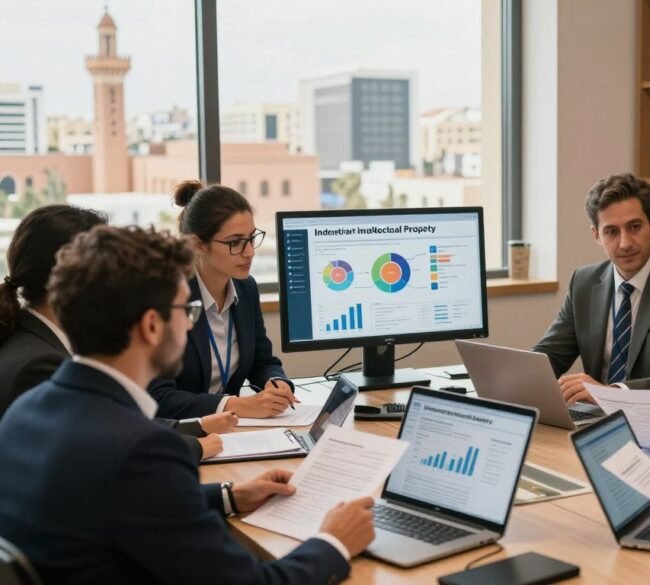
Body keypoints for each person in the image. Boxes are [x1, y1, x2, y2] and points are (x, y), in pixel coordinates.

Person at [0, 225, 375, 584]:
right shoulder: (142, 451)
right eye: (187, 311)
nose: (190, 324)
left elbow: (109, 502)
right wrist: (334, 542)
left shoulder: (27, 410)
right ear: (151, 326)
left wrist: (229, 496)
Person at [0, 204, 233, 460]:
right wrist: (195, 446)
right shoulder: (38, 365)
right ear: (76, 274)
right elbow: (100, 450)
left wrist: (199, 427)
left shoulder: (36, 339)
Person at [533, 173, 650, 400]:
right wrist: (516, 380)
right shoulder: (583, 282)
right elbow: (549, 356)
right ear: (596, 236)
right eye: (611, 232)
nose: (625, 243)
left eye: (634, 227)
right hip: (596, 417)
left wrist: (610, 394)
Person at [148, 181, 298, 419]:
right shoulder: (168, 297)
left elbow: (263, 361)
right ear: (198, 244)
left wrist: (276, 383)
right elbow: (158, 398)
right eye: (235, 243)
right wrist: (235, 405)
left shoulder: (245, 288)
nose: (249, 252)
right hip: (184, 436)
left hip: (232, 433)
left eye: (251, 238)